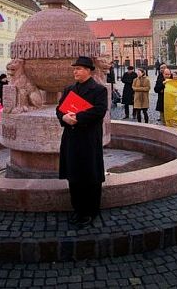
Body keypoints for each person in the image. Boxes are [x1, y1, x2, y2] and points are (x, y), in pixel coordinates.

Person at [56, 56, 108, 228]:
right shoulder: (69, 89)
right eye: (74, 69)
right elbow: (59, 109)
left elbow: (99, 111)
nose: (75, 71)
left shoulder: (98, 90)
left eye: (78, 69)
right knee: (74, 175)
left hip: (89, 139)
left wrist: (77, 118)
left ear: (88, 71)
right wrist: (64, 117)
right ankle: (77, 209)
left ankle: (90, 211)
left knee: (90, 175)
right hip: (71, 139)